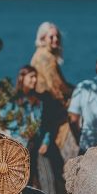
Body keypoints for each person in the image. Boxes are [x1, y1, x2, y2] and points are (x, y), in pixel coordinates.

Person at [0, 65, 67, 194]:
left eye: (35, 76)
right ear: (21, 78)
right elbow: (2, 119)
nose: (34, 80)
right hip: (20, 144)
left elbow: (46, 125)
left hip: (38, 144)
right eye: (31, 76)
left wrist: (46, 142)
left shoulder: (40, 100)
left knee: (46, 177)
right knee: (21, 178)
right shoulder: (13, 100)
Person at [30, 22, 78, 162]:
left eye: (57, 36)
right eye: (51, 37)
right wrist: (76, 94)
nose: (56, 39)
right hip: (49, 108)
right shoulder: (46, 57)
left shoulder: (42, 54)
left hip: (44, 105)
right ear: (43, 39)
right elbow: (57, 87)